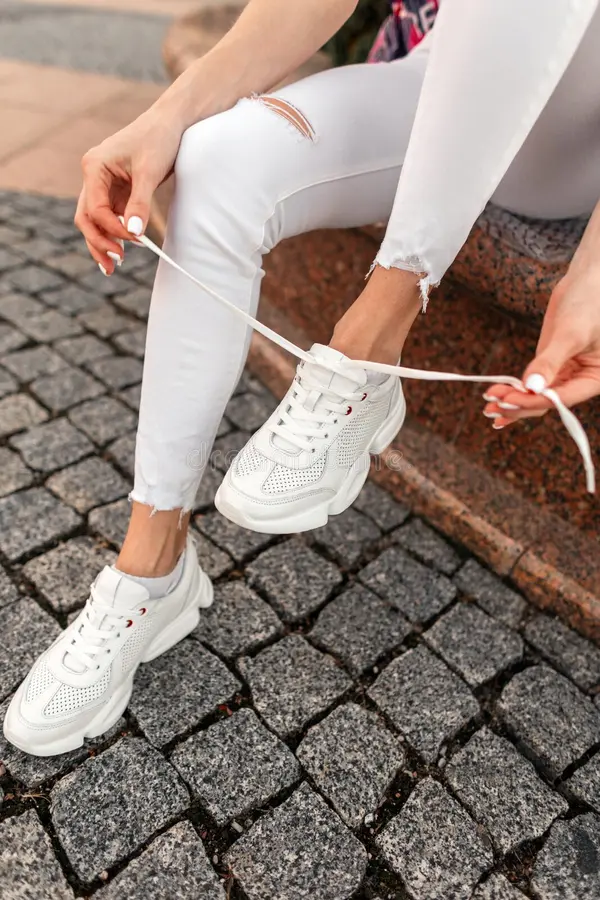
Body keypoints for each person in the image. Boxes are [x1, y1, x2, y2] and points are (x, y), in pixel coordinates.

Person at [5, 0, 600, 756]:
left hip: (575, 141)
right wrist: (168, 116)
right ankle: (151, 572)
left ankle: (369, 345)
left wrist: (592, 273)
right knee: (221, 161)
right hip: (444, 80)